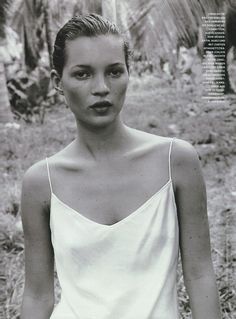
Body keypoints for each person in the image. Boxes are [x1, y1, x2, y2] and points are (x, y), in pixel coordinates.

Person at [20, 14, 222, 319]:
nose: (101, 87)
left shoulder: (175, 161)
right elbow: (37, 296)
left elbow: (200, 275)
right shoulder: (41, 182)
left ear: (129, 73)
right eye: (83, 74)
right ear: (57, 82)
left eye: (114, 71)